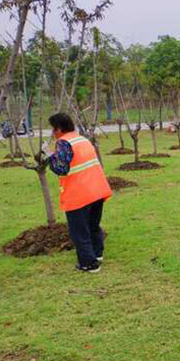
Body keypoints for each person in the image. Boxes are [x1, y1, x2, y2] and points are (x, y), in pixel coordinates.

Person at [41, 113, 112, 273]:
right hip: (97, 190)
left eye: (53, 128)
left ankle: (88, 264)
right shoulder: (82, 139)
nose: (52, 132)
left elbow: (61, 168)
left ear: (59, 128)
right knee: (93, 225)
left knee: (79, 231)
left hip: (79, 193)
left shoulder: (64, 142)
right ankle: (97, 253)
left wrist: (49, 156)